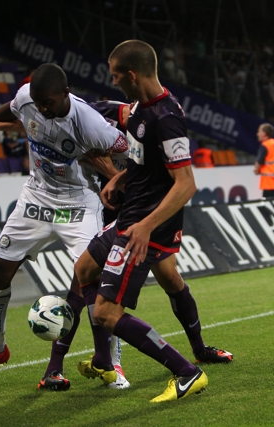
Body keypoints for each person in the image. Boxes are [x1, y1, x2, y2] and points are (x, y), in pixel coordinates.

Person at [0, 63, 130, 389]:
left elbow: (124, 150)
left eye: (47, 103)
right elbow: (15, 110)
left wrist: (118, 177)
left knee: (93, 280)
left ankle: (113, 362)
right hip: (35, 198)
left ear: (65, 94)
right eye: (37, 102)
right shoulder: (30, 98)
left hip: (78, 204)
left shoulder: (89, 122)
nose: (42, 109)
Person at [72, 39, 210, 403]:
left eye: (117, 76)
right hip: (131, 218)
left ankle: (187, 372)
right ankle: (104, 360)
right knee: (84, 269)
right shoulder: (137, 110)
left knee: (105, 312)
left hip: (142, 227)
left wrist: (147, 226)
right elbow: (142, 161)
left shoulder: (166, 119)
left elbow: (186, 184)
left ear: (132, 75)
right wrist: (120, 178)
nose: (114, 82)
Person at [254, 123, 274, 198]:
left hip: (270, 184)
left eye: (259, 132)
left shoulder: (265, 145)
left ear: (264, 134)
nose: (257, 134)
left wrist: (256, 170)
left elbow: (259, 161)